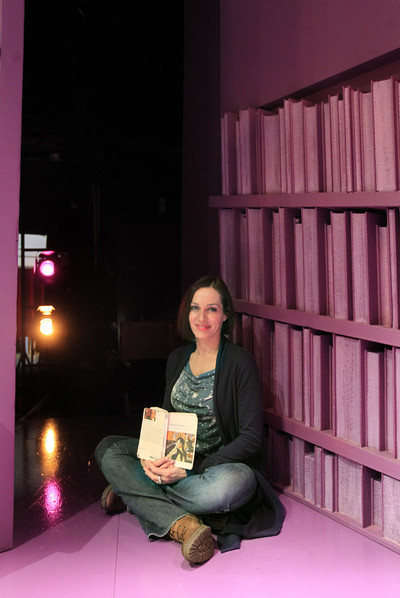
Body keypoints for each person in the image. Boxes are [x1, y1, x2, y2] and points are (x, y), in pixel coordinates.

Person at [95, 276, 285, 564]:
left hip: (215, 469)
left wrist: (191, 469)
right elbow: (164, 419)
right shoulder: (177, 358)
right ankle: (183, 524)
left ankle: (135, 494)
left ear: (225, 315)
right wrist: (151, 458)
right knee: (109, 449)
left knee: (235, 484)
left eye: (212, 309)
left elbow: (250, 439)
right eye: (195, 308)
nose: (202, 317)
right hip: (175, 461)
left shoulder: (240, 363)